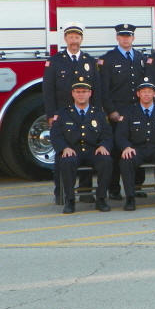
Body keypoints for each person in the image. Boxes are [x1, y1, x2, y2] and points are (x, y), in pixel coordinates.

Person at [42, 21, 101, 203]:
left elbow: (97, 89)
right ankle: (60, 192)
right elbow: (48, 90)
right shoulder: (55, 61)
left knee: (86, 147)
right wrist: (51, 115)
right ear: (65, 39)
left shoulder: (89, 61)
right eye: (70, 37)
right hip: (63, 115)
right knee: (63, 154)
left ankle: (85, 191)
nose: (74, 40)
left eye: (77, 37)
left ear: (81, 39)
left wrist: (97, 113)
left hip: (86, 114)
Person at [100, 23, 149, 199]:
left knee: (137, 146)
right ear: (117, 38)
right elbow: (104, 89)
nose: (125, 39)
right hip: (117, 112)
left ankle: (137, 186)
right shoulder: (108, 59)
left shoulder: (140, 57)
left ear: (133, 38)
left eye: (128, 36)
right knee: (116, 151)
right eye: (122, 36)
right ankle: (114, 189)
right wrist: (111, 111)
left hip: (137, 112)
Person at [50, 79, 113, 214]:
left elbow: (107, 134)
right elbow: (55, 135)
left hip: (93, 150)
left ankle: (101, 199)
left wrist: (104, 145)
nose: (81, 95)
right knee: (67, 162)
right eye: (78, 92)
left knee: (106, 161)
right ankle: (70, 200)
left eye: (84, 92)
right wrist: (64, 148)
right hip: (72, 150)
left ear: (90, 93)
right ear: (72, 94)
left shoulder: (99, 113)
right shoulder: (63, 113)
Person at [115, 78, 155, 211]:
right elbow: (120, 135)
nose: (146, 94)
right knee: (126, 160)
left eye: (149, 91)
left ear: (154, 94)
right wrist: (126, 147)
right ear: (138, 94)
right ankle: (130, 198)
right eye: (143, 91)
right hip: (136, 149)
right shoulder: (129, 112)